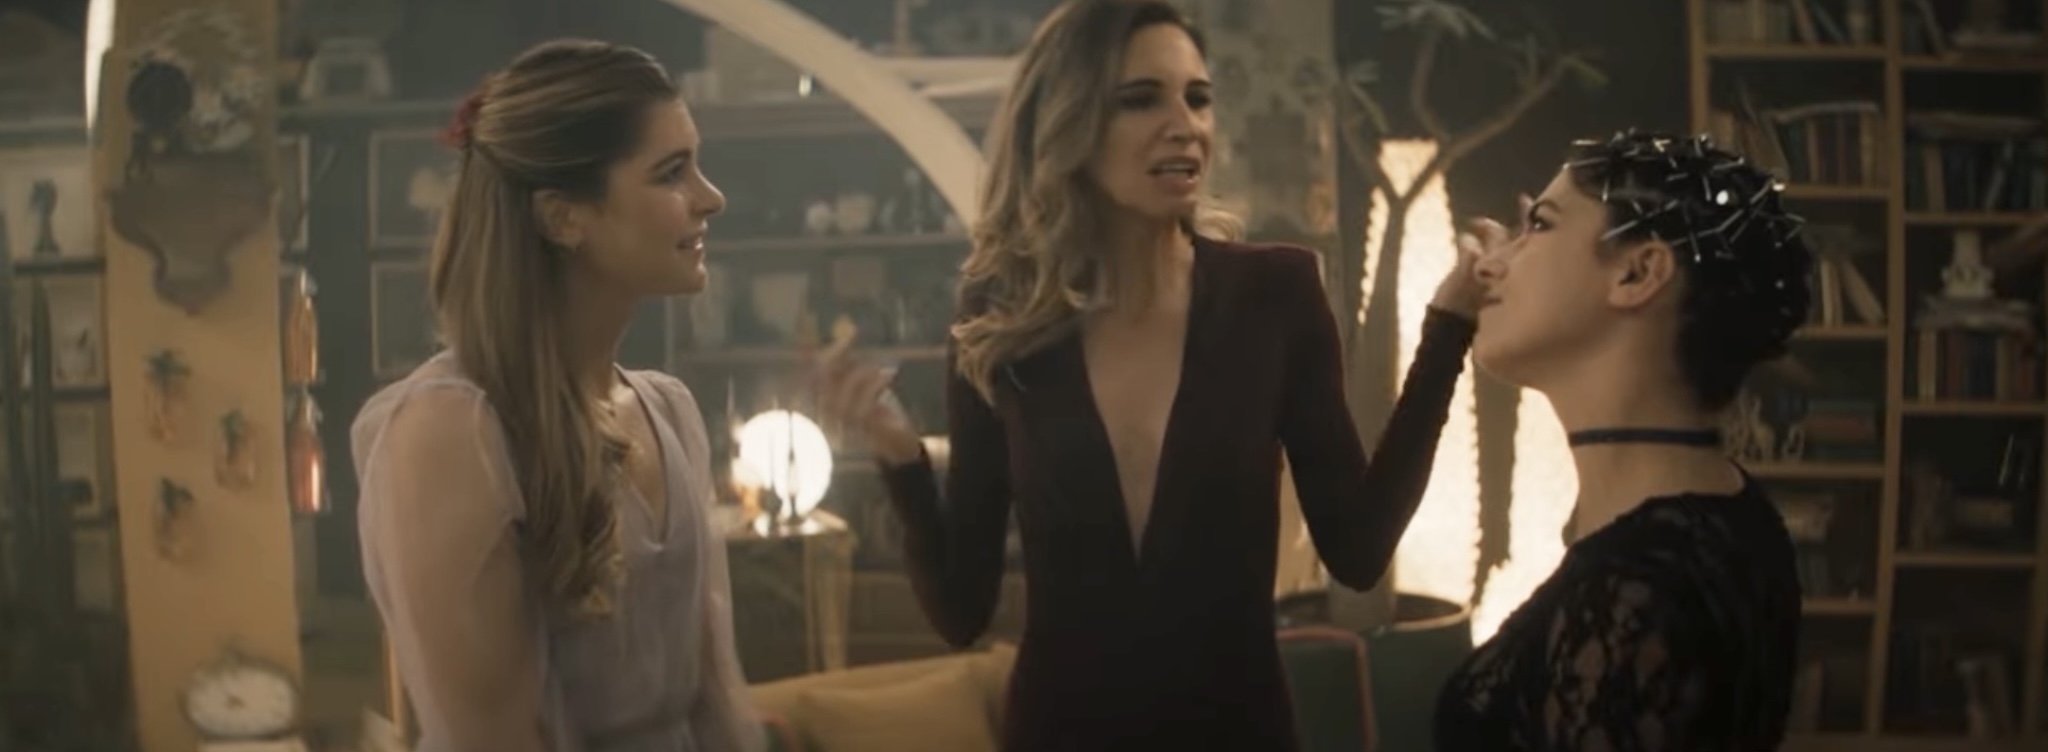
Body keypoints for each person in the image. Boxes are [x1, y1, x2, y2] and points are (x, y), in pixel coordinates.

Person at [814, 1, 1483, 749]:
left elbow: (1358, 550)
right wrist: (901, 459)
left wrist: (1447, 332)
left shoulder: (1275, 295)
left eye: (1198, 98)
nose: (1185, 125)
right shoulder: (1003, 316)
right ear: (1068, 124)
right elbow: (961, 612)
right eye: (1141, 99)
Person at [351, 39, 760, 752]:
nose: (711, 198)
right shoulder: (455, 432)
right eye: (671, 173)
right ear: (563, 217)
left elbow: (717, 699)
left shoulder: (669, 412)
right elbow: (494, 738)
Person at [1434, 131, 1809, 750]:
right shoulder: (1721, 518)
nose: (1488, 265)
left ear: (1638, 273)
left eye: (1539, 226)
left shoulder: (1640, 592)